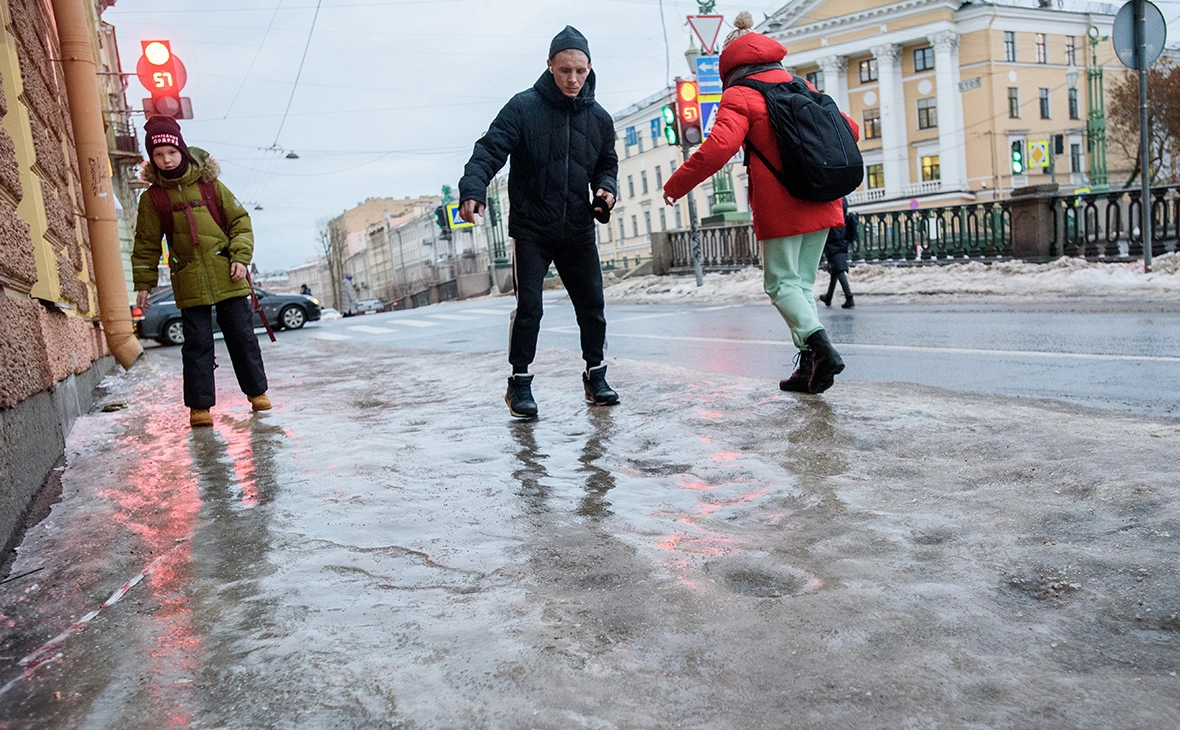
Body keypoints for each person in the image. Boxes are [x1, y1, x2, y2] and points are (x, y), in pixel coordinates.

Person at [662, 12, 859, 395]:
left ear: (729, 62)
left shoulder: (740, 94)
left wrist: (676, 184)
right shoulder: (801, 84)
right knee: (800, 285)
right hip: (823, 197)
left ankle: (822, 349)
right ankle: (809, 367)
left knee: (781, 284)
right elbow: (849, 128)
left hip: (783, 204)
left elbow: (718, 148)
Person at [458, 25, 620, 419]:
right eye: (564, 70)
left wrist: (606, 189)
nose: (573, 79)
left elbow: (607, 163)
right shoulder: (523, 107)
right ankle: (519, 383)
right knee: (530, 307)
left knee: (592, 305)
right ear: (549, 66)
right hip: (532, 227)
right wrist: (473, 189)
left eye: (580, 71)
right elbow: (489, 150)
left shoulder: (599, 118)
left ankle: (595, 376)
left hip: (577, 227)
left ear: (590, 68)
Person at [131, 116, 271, 428]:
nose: (166, 160)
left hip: (227, 272)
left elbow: (240, 222)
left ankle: (257, 392)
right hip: (188, 277)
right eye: (158, 155)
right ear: (152, 158)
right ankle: (200, 407)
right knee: (196, 344)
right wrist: (143, 282)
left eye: (171, 152)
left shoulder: (210, 185)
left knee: (242, 337)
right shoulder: (152, 198)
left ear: (181, 150)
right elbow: (146, 244)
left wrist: (240, 257)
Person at [820, 198, 856, 309]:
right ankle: (829, 296)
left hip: (834, 240)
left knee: (839, 270)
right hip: (842, 239)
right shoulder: (842, 200)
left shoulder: (834, 202)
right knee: (835, 270)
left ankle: (849, 297)